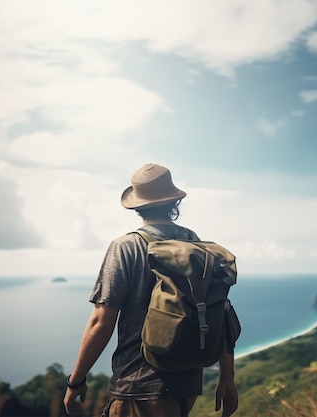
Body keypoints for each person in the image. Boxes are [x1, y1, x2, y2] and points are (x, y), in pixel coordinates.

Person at [64, 163, 238, 417]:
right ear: (173, 203)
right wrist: (227, 378)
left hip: (138, 387)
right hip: (187, 386)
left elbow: (101, 322)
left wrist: (75, 381)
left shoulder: (126, 247)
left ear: (137, 206)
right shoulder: (194, 243)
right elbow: (219, 311)